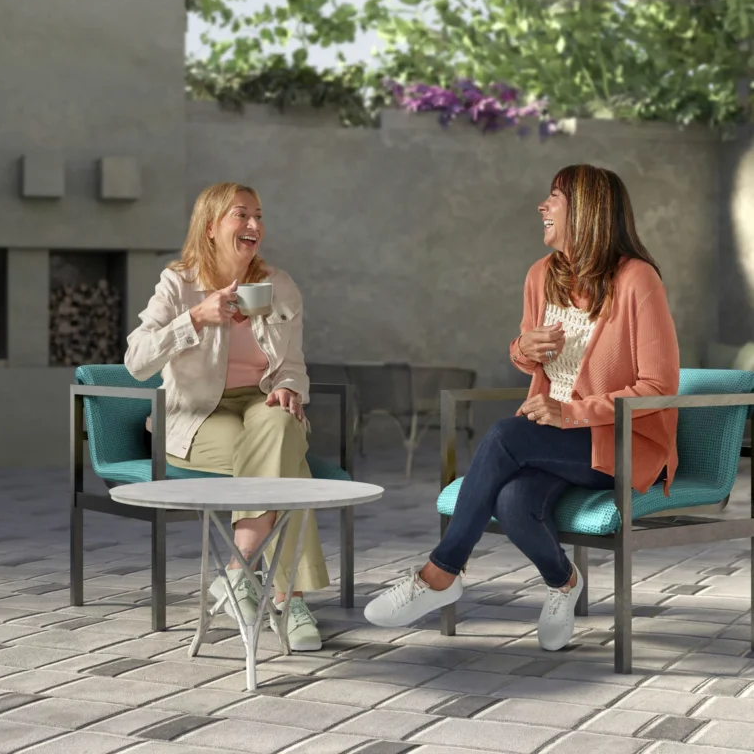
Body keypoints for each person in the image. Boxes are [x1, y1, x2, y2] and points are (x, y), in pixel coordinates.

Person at [363, 164, 680, 651]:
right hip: (553, 438)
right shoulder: (542, 276)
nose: (542, 206)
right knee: (513, 503)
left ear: (589, 212)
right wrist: (524, 349)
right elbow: (525, 354)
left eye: (554, 197)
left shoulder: (637, 280)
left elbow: (658, 386)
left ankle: (441, 572)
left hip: (618, 442)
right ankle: (564, 583)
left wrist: (571, 413)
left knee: (506, 435)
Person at [124, 182, 325, 651]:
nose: (254, 225)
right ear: (212, 227)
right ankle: (290, 597)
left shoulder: (279, 285)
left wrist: (290, 388)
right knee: (287, 463)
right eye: (242, 215)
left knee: (279, 426)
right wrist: (195, 318)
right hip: (194, 414)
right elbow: (137, 361)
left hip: (258, 402)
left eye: (259, 215)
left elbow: (293, 364)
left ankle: (236, 571)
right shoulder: (178, 283)